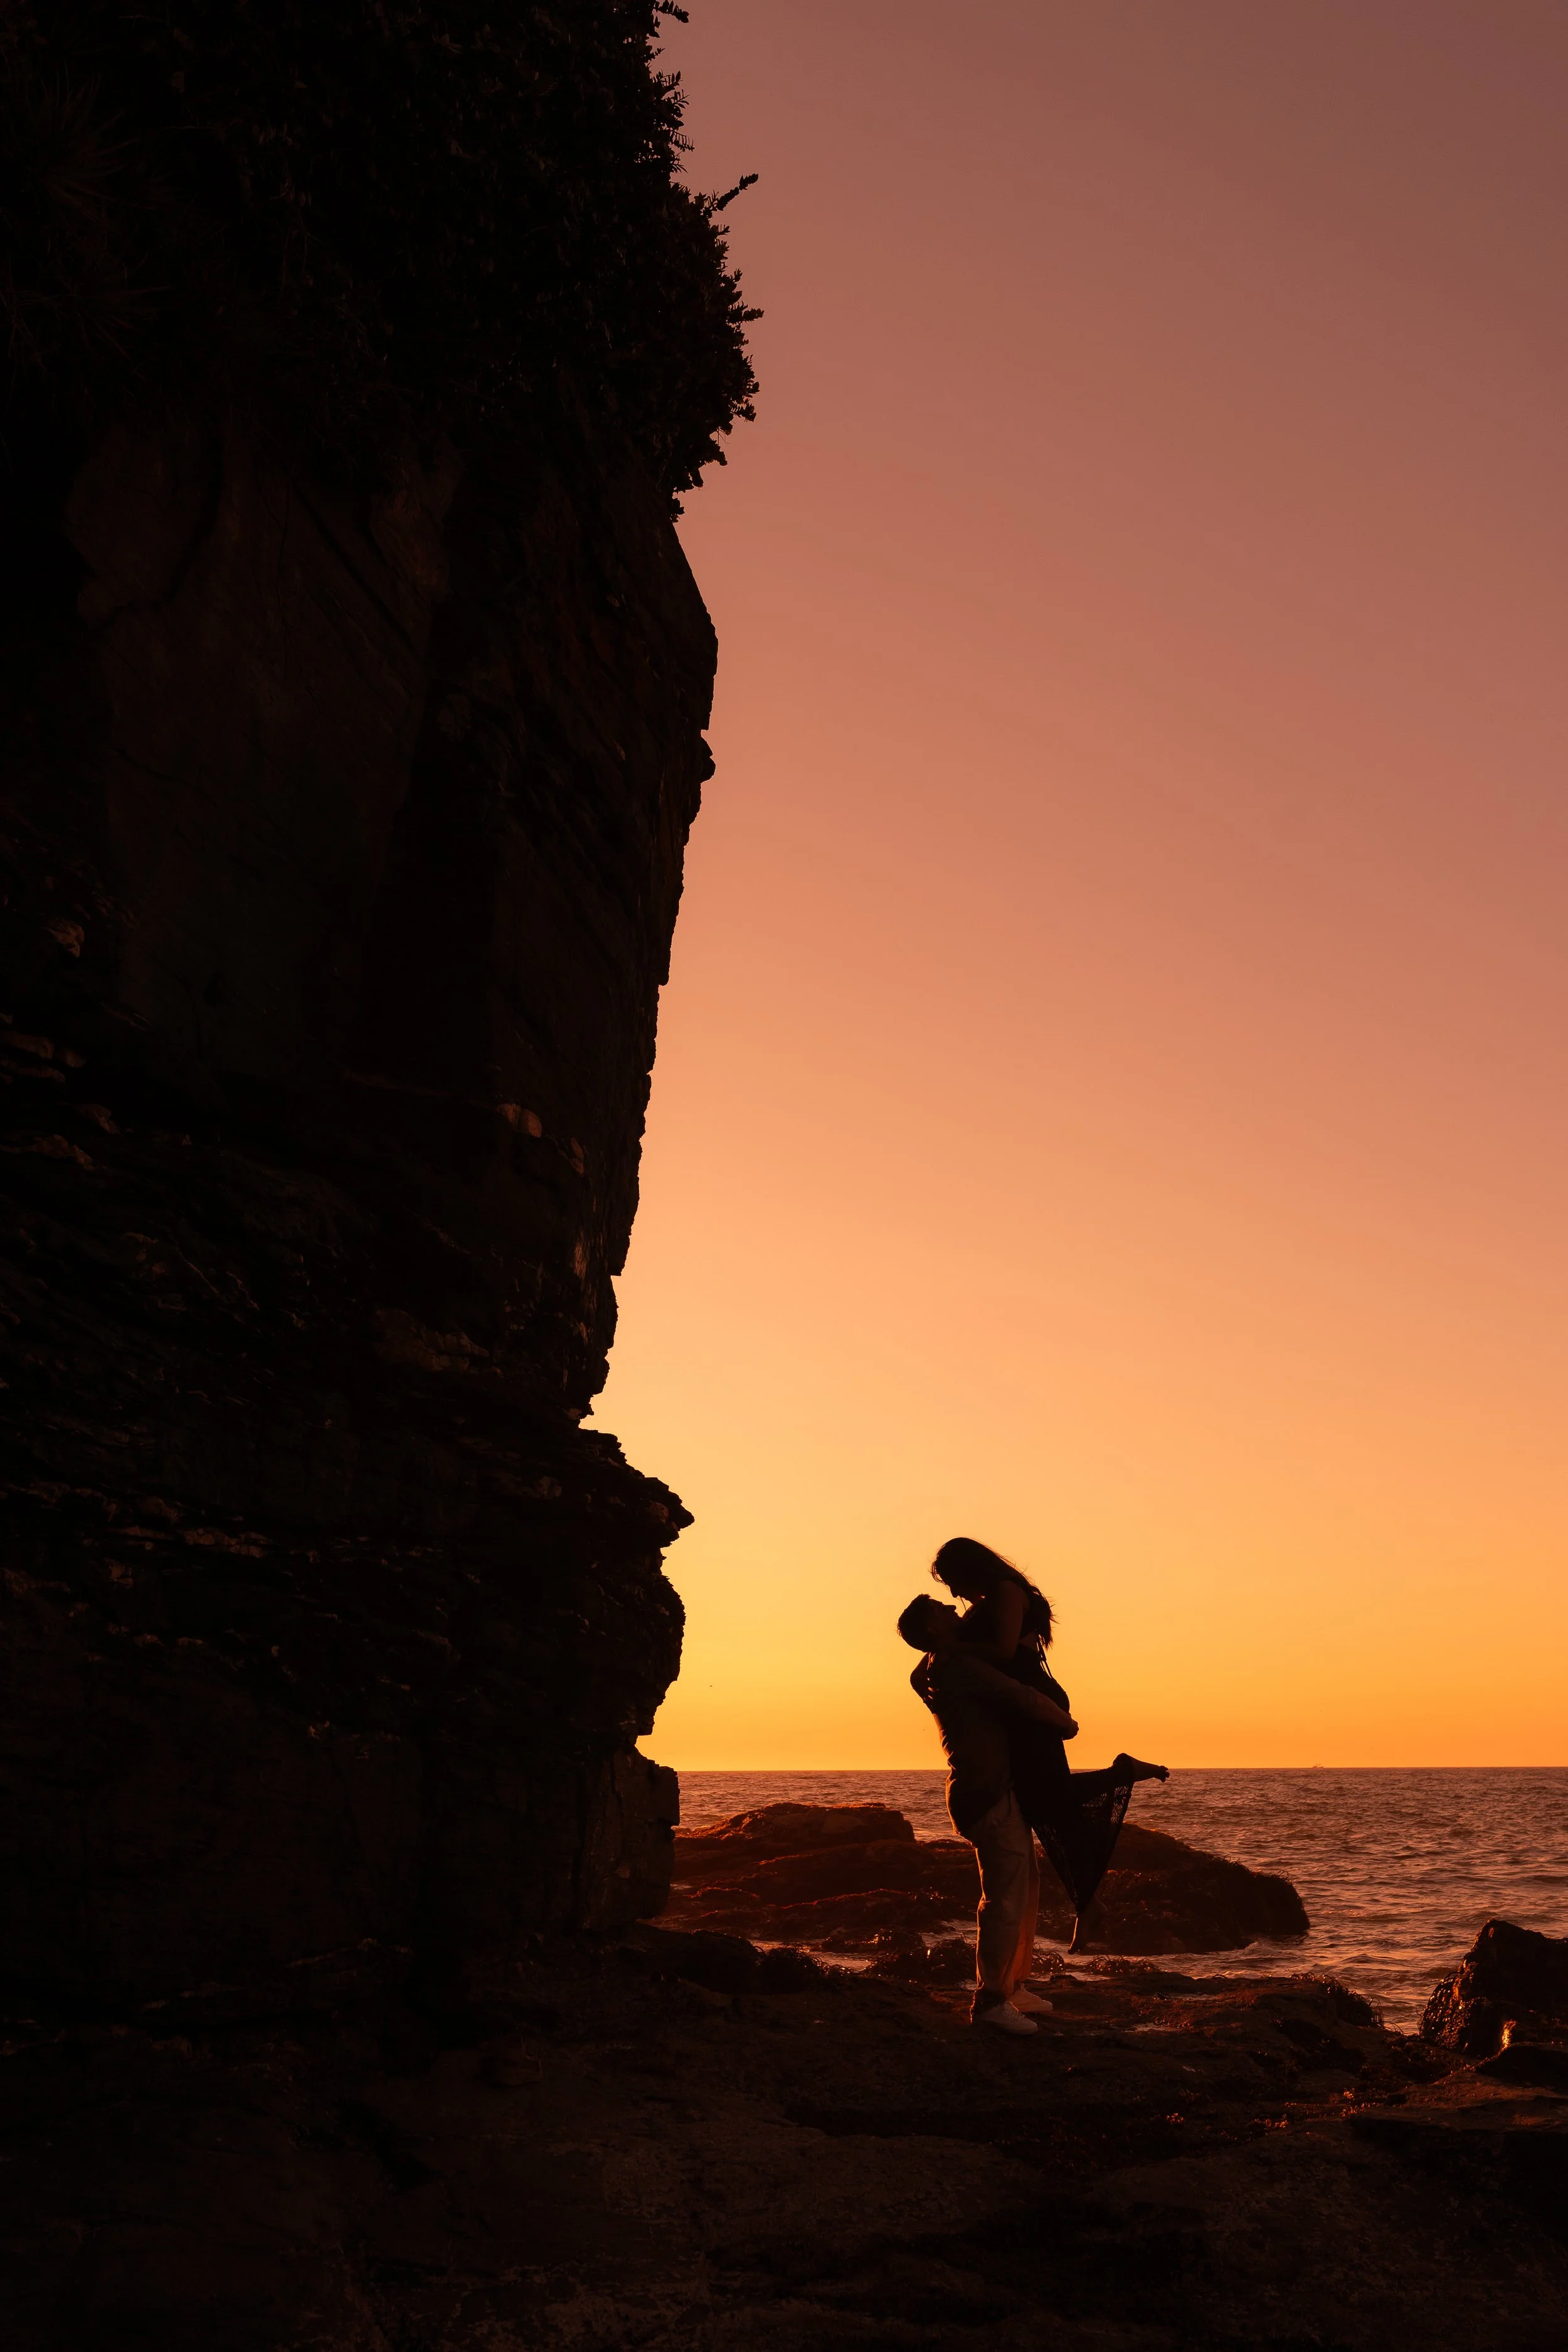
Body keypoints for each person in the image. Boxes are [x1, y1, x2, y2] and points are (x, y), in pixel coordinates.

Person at [929, 1537, 1168, 1949]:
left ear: (970, 1568)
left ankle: (1123, 1774)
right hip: (1021, 1706)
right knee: (1044, 1804)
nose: (952, 1592)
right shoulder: (990, 1599)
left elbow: (1004, 1652)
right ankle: (1089, 1903)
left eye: (952, 1581)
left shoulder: (1006, 1592)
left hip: (1033, 1702)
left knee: (1049, 1796)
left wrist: (954, 1647)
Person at [896, 1591, 1076, 2037]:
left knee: (1025, 1888)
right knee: (1004, 1898)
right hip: (986, 1794)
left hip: (987, 1792)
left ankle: (1012, 1985)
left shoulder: (939, 1667)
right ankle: (990, 2000)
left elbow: (918, 1674)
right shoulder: (958, 1668)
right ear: (934, 1628)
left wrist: (945, 1645)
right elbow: (1019, 1697)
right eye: (943, 1610)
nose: (955, 1609)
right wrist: (1065, 1723)